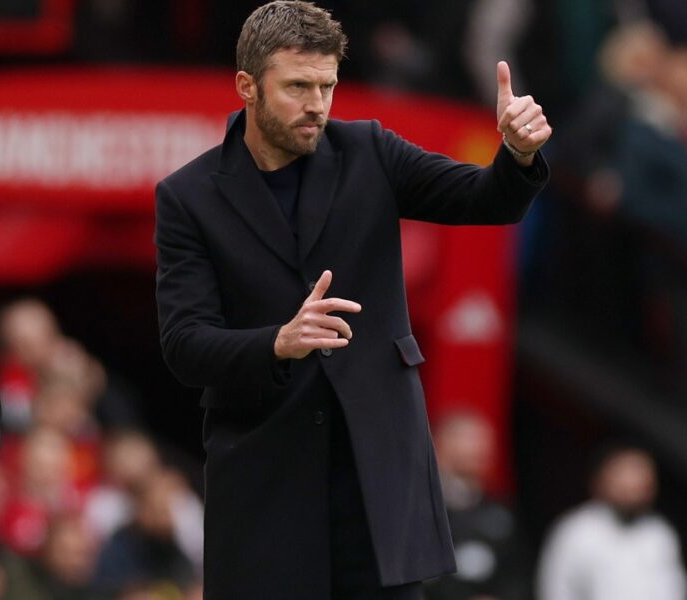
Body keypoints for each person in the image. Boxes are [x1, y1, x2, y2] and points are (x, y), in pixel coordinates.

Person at [153, 2, 550, 598]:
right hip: (266, 489)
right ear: (247, 87)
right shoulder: (188, 197)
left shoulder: (370, 150)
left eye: (327, 85)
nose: (317, 103)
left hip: (379, 485)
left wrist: (516, 155)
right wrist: (277, 343)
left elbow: (484, 200)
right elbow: (185, 345)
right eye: (297, 87)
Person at [536, 445, 686, 600]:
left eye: (640, 476)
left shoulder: (659, 533)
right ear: (603, 480)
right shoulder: (576, 531)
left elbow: (672, 588)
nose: (632, 486)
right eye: (624, 475)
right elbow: (556, 589)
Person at [427, 412, 527, 600]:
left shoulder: (500, 511)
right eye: (471, 440)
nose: (483, 449)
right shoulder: (422, 507)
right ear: (441, 444)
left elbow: (517, 573)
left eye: (487, 441)